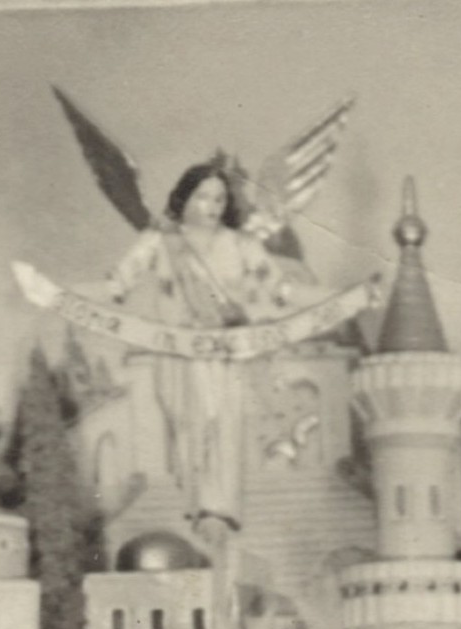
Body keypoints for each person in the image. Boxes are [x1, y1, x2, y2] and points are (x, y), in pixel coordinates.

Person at [80, 160, 326, 532]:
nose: (212, 206)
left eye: (219, 198)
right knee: (191, 426)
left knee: (224, 423)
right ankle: (201, 507)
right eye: (203, 197)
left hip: (225, 350)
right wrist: (64, 295)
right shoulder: (162, 241)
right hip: (180, 351)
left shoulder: (241, 244)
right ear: (185, 198)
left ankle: (220, 510)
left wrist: (335, 300)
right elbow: (118, 284)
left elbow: (281, 289)